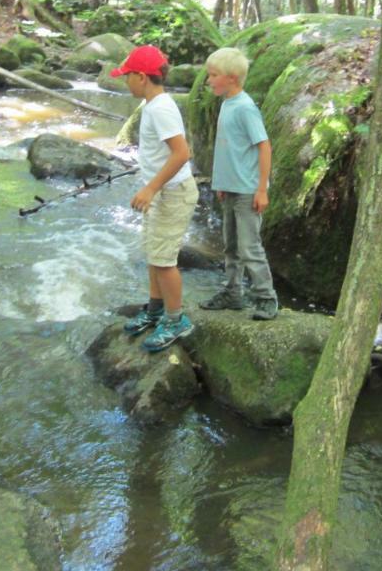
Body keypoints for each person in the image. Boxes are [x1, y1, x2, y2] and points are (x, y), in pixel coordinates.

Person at [113, 45, 200, 352]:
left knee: (164, 260)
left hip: (172, 193)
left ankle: (176, 321)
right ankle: (155, 309)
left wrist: (151, 188)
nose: (125, 82)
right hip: (163, 192)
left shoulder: (161, 108)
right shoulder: (152, 105)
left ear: (141, 77)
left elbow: (181, 153)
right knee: (153, 253)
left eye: (127, 77)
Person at [200, 47, 279, 321]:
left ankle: (266, 298)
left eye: (213, 75)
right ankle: (233, 293)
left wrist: (261, 189)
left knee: (250, 247)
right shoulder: (227, 103)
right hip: (230, 188)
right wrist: (221, 182)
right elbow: (229, 149)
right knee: (231, 246)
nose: (209, 80)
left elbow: (264, 146)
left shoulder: (245, 107)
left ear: (232, 78)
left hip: (248, 191)